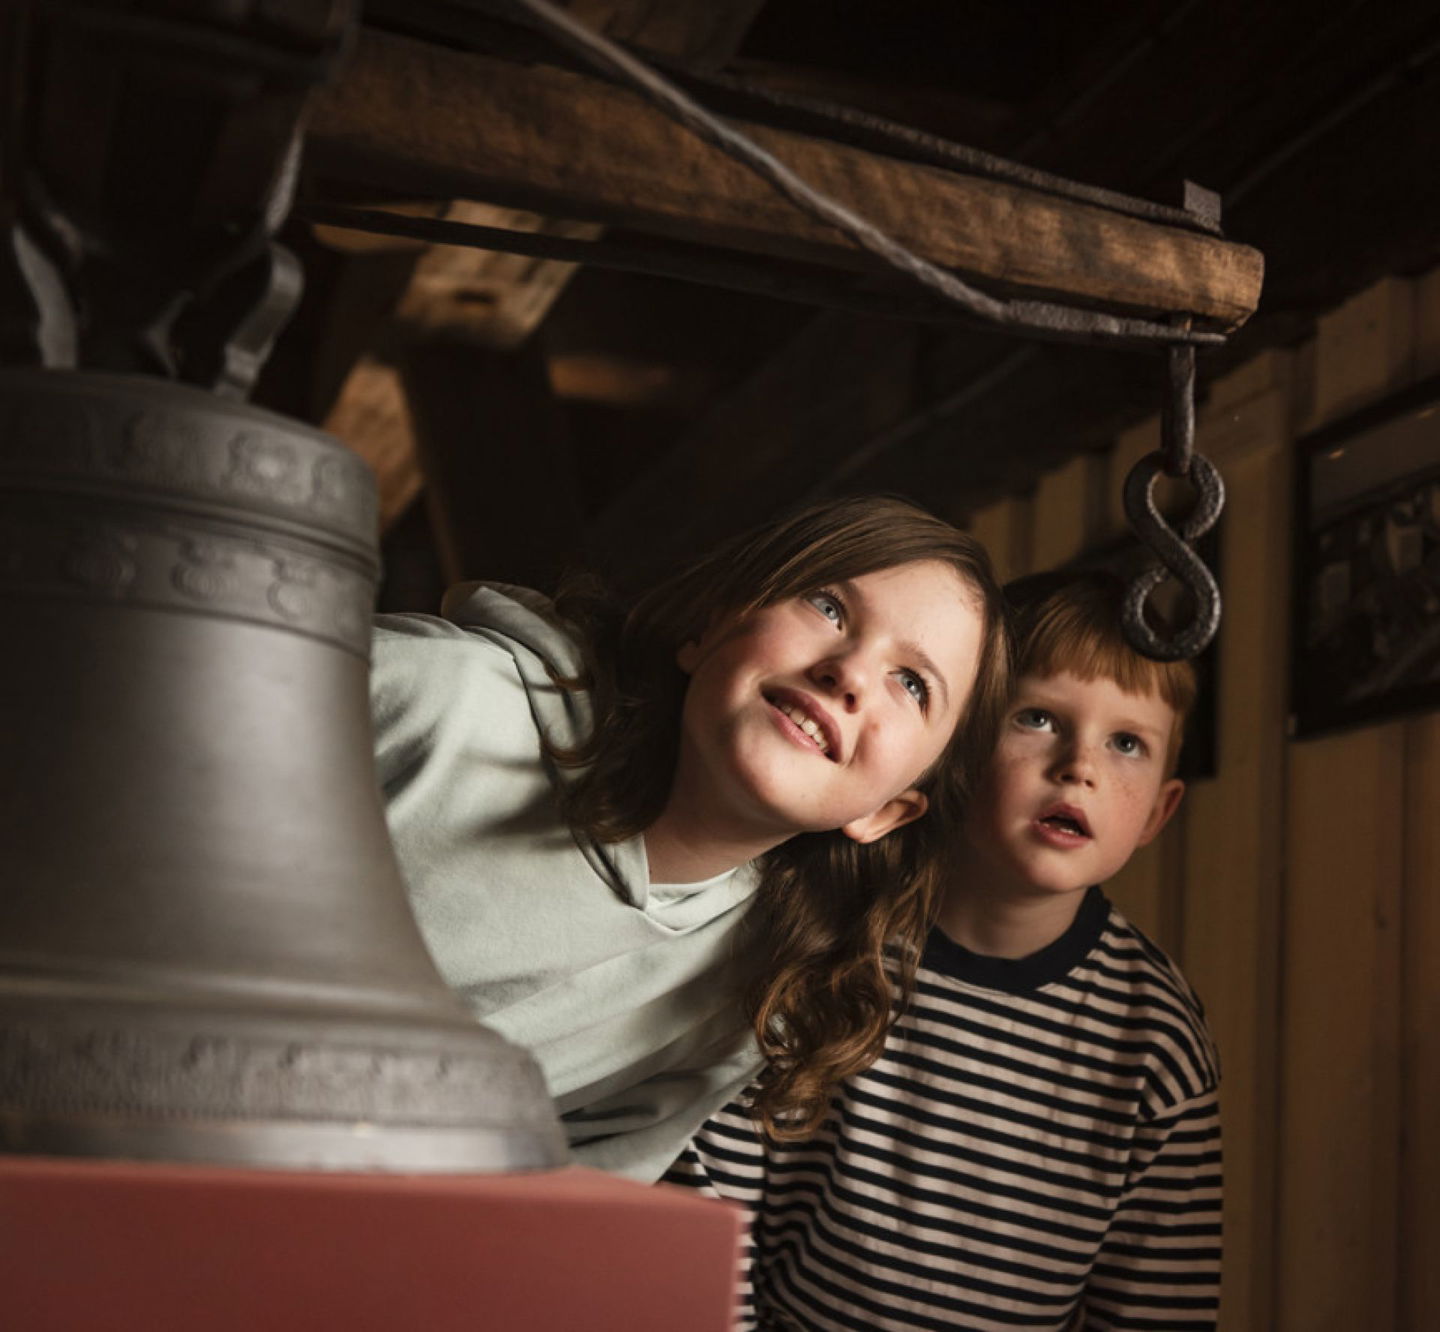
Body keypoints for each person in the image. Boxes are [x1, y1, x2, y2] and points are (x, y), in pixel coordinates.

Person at [370, 496, 1011, 1181]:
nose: (850, 672)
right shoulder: (435, 693)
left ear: (885, 813)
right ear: (706, 630)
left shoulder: (753, 992)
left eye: (911, 684)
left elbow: (569, 1199)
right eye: (828, 607)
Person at [668, 571, 1222, 1330]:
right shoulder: (829, 941)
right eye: (1037, 719)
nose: (1078, 767)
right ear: (955, 750)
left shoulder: (1154, 1037)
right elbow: (712, 1204)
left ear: (1159, 811)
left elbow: (1156, 1302)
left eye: (1127, 743)